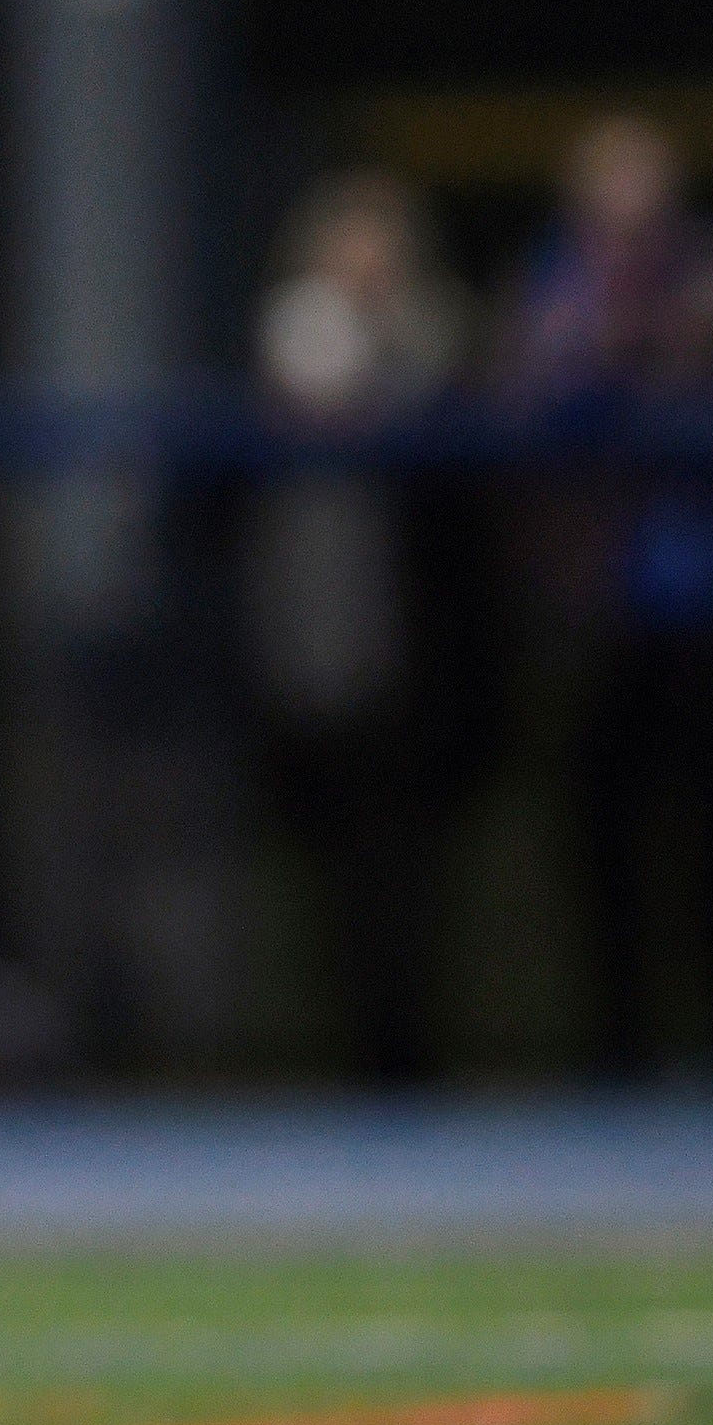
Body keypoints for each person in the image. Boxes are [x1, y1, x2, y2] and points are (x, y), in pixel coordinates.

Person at [498, 117, 713, 1078]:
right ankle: (617, 1044)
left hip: (695, 593)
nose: (626, 221)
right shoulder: (551, 285)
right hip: (589, 600)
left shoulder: (712, 272)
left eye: (644, 200)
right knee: (601, 829)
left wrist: (679, 332)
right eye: (609, 201)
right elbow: (525, 388)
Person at [237, 170, 478, 1082]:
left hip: (408, 668)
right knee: (311, 880)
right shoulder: (276, 352)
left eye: (381, 248)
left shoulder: (441, 352)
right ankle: (325, 1064)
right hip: (301, 659)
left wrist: (396, 372)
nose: (364, 265)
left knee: (405, 881)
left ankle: (403, 1062)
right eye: (348, 245)